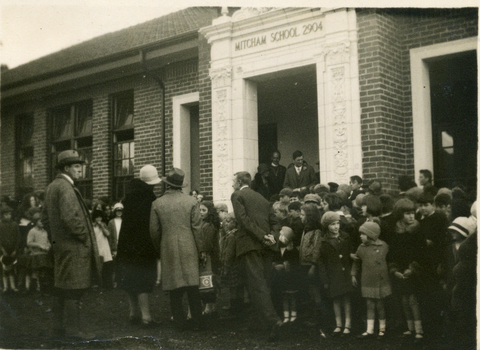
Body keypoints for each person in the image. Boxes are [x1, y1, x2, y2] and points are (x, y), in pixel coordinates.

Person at [42, 149, 101, 339]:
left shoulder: (52, 186)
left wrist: (55, 239)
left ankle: (58, 328)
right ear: (66, 168)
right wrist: (84, 238)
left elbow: (45, 219)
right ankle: (74, 331)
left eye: (80, 166)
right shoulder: (66, 187)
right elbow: (71, 218)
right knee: (74, 291)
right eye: (76, 166)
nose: (79, 170)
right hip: (74, 248)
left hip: (61, 247)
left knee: (61, 288)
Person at [150, 168, 206, 331]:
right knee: (192, 285)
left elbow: (154, 231)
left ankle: (179, 323)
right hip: (189, 245)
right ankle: (198, 322)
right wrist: (201, 249)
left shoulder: (157, 203)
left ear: (167, 185)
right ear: (181, 186)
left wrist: (159, 247)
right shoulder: (191, 202)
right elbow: (197, 228)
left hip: (168, 246)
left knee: (174, 286)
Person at [230, 171, 283, 342]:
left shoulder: (237, 195)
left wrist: (262, 236)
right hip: (266, 247)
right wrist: (272, 237)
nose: (232, 185)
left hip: (250, 245)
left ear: (239, 182)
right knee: (262, 284)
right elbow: (275, 221)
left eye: (233, 182)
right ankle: (258, 322)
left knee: (257, 285)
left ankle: (273, 322)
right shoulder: (262, 198)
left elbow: (243, 220)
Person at [115, 165, 161, 328]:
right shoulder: (149, 198)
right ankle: (146, 317)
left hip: (127, 244)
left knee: (129, 279)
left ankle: (133, 313)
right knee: (143, 280)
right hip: (143, 245)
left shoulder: (129, 196)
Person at [387, 198, 426, 344]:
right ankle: (410, 328)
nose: (411, 217)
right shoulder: (396, 232)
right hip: (401, 271)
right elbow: (392, 254)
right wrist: (394, 269)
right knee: (404, 300)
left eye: (412, 213)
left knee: (412, 300)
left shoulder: (418, 231)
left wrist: (413, 268)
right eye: (407, 214)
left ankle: (419, 330)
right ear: (400, 215)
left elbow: (423, 254)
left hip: (414, 271)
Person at [352, 220, 391, 339]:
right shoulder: (361, 248)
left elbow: (389, 261)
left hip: (380, 281)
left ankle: (382, 329)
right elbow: (356, 262)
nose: (360, 236)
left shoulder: (383, 246)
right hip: (367, 280)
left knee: (380, 305)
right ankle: (369, 330)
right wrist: (353, 274)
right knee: (369, 305)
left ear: (371, 235)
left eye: (363, 234)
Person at [318, 211, 353, 337]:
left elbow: (350, 254)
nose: (336, 226)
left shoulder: (345, 237)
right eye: (332, 224)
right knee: (336, 299)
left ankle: (348, 325)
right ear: (326, 226)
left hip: (346, 273)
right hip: (333, 274)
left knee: (346, 299)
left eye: (337, 223)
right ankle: (339, 324)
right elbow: (321, 262)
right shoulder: (323, 241)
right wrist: (325, 279)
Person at [198, 200, 221, 316]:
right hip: (210, 255)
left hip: (209, 257)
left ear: (209, 212)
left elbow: (207, 243)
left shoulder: (208, 225)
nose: (201, 212)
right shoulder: (205, 224)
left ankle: (209, 307)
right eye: (200, 210)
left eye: (204, 210)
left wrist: (204, 252)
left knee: (208, 280)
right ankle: (211, 306)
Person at [273, 226, 299, 323]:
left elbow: (295, 264)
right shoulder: (278, 249)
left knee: (292, 296)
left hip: (290, 277)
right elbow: (275, 259)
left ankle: (293, 313)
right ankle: (286, 314)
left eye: (283, 236)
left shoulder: (293, 251)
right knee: (284, 295)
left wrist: (285, 265)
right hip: (282, 277)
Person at [220, 213, 244, 317]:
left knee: (234, 287)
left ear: (234, 223)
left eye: (228, 221)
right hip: (236, 265)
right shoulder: (233, 235)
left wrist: (226, 267)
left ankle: (235, 309)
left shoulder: (231, 237)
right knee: (236, 287)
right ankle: (236, 307)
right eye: (225, 220)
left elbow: (229, 253)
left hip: (232, 266)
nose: (225, 223)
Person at [26, 212, 52, 294]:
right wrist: (39, 245)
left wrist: (48, 245)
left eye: (43, 221)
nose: (42, 223)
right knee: (35, 272)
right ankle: (34, 289)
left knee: (43, 271)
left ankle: (43, 290)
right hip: (36, 254)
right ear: (36, 222)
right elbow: (29, 243)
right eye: (41, 221)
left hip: (44, 254)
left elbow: (47, 241)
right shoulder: (32, 231)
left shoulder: (45, 231)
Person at [0, 206, 20, 293]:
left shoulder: (14, 224)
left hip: (12, 249)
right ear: (2, 215)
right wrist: (3, 250)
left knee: (12, 267)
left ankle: (13, 286)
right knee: (4, 267)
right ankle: (5, 287)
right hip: (3, 249)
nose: (8, 216)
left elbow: (18, 238)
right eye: (6, 214)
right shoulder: (0, 224)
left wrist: (15, 249)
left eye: (9, 214)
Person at [92, 210, 113, 289]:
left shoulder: (103, 224)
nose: (99, 219)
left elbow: (108, 234)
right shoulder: (92, 226)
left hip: (104, 246)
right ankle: (98, 284)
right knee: (97, 265)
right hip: (97, 246)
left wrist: (101, 226)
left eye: (100, 217)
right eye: (97, 217)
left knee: (107, 265)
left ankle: (108, 285)